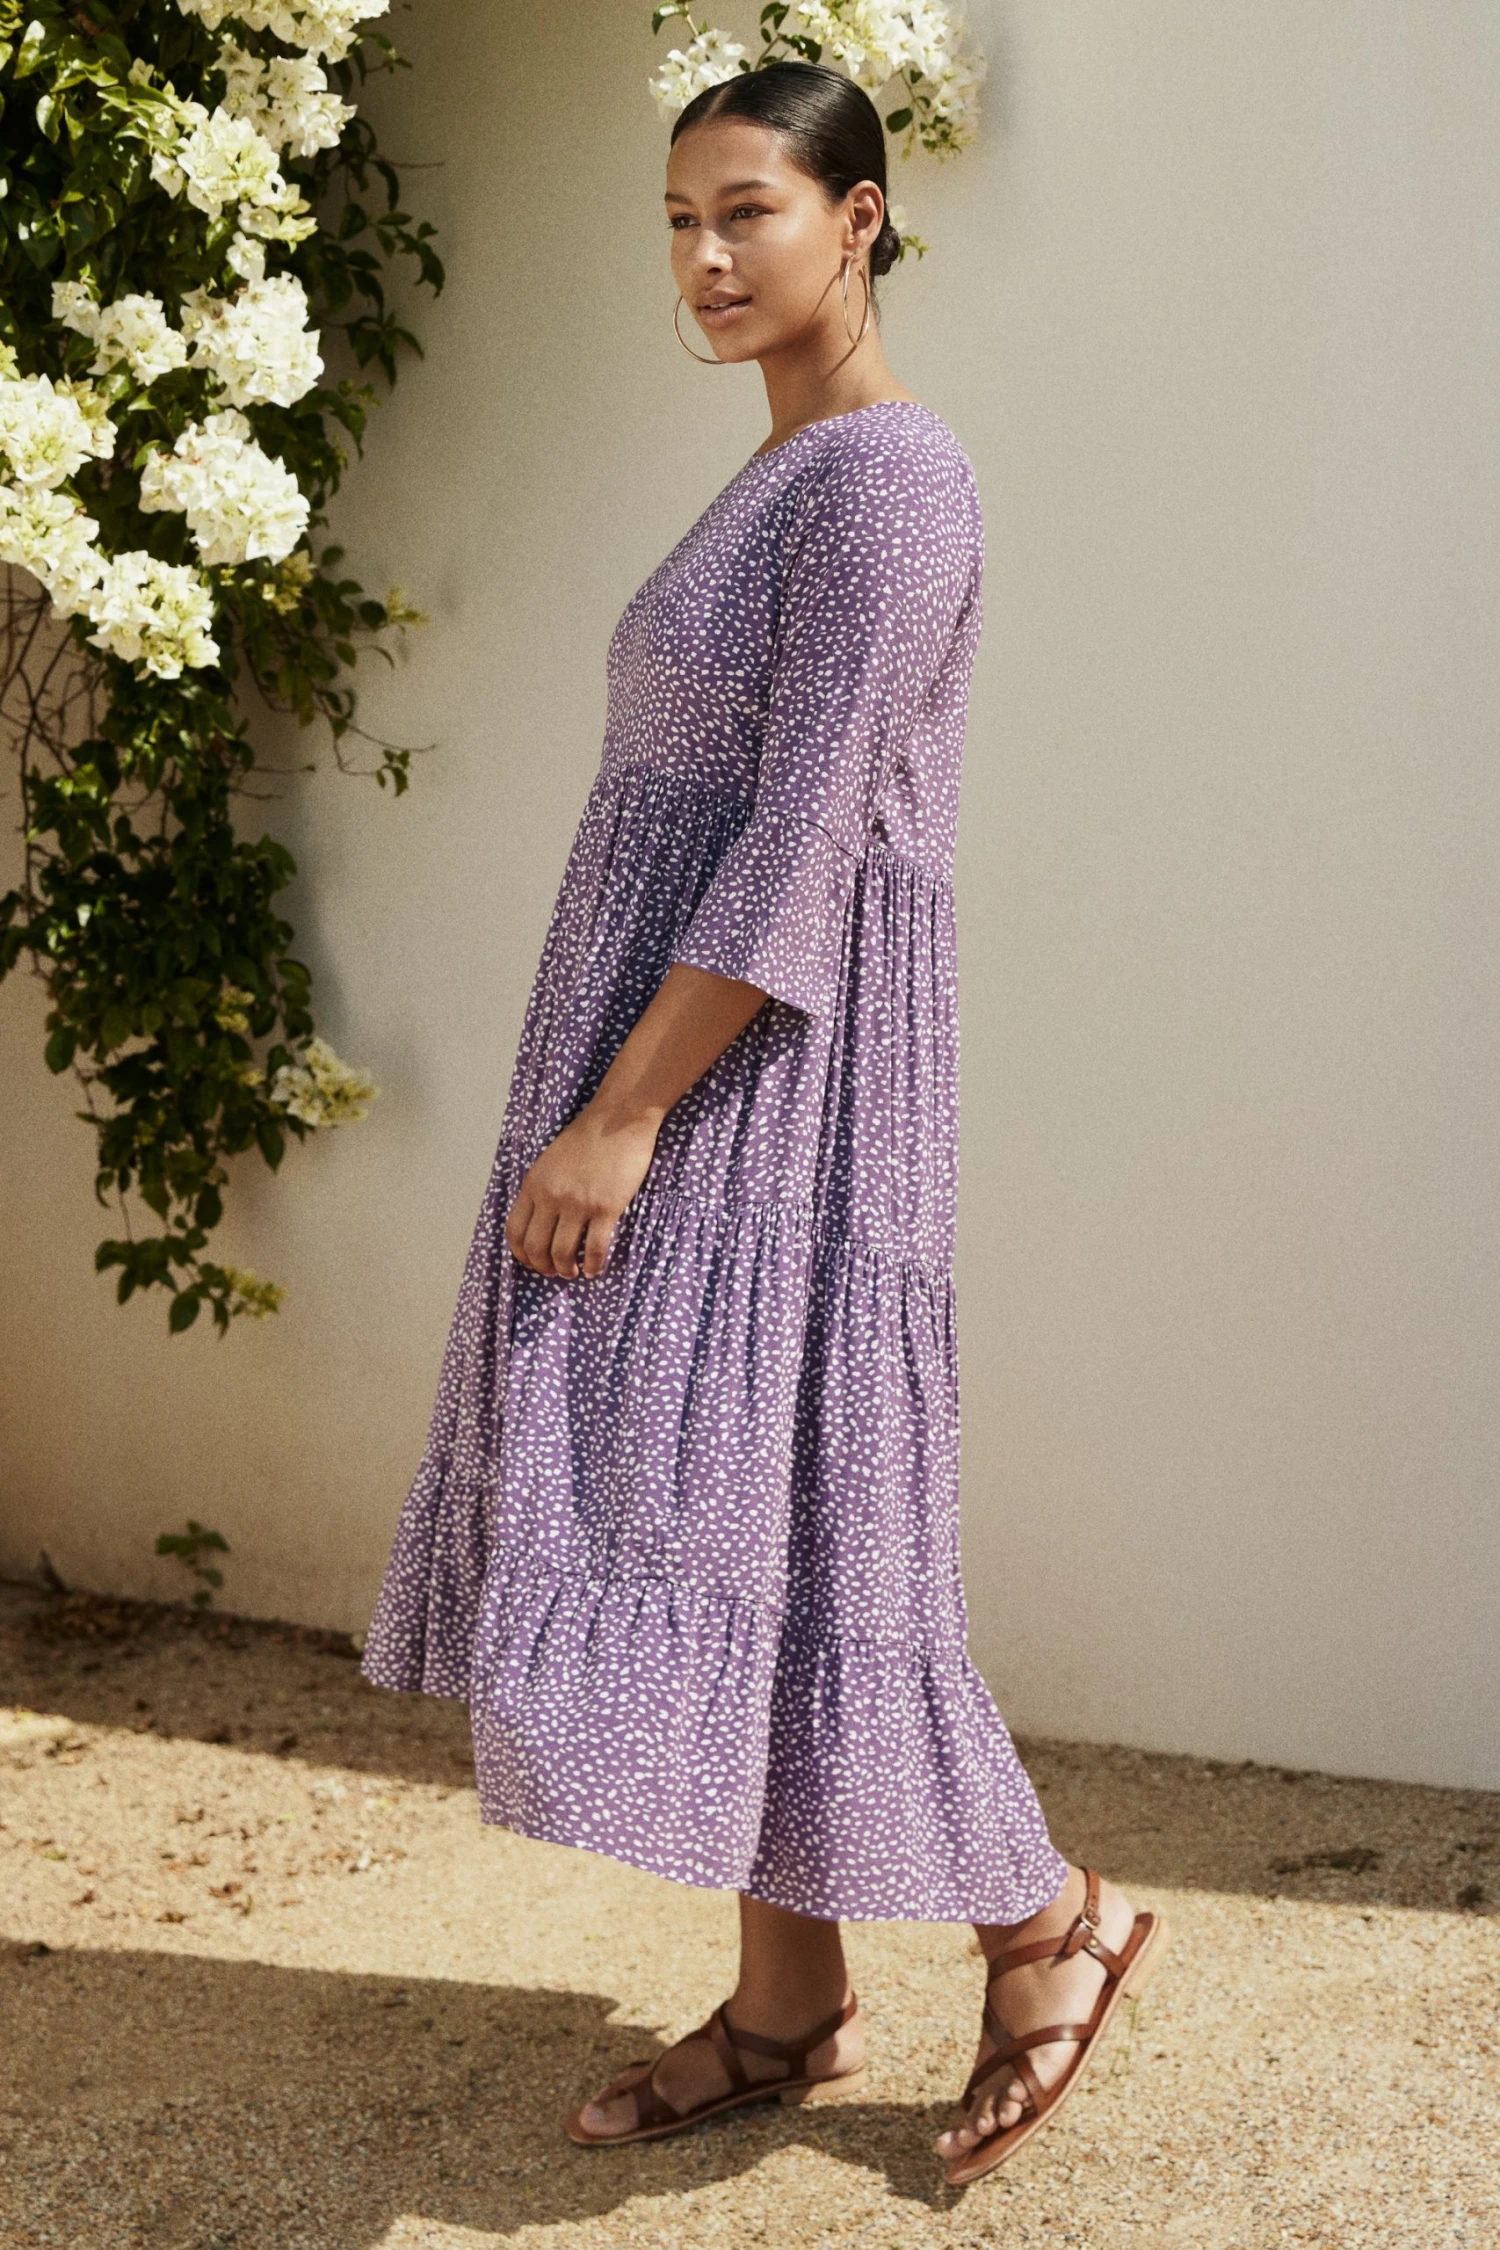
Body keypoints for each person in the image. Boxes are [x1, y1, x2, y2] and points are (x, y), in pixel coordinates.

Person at [359, 57, 1168, 2186]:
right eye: (679, 221)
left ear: (861, 218)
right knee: (741, 1506)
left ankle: (1049, 1919)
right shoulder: (785, 469)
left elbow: (806, 844)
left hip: (767, 1080)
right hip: (693, 1050)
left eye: (751, 213)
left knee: (804, 1505)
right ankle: (792, 1992)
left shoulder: (893, 481)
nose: (707, 258)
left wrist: (622, 1113)